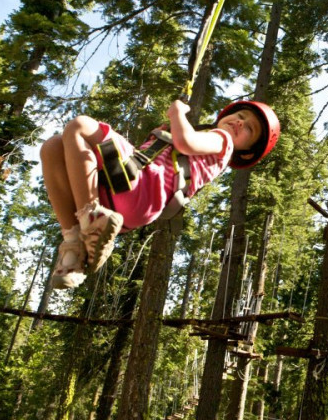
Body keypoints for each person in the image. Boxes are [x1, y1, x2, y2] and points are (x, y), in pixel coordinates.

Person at [40, 99, 280, 289]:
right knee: (53, 146)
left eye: (249, 127)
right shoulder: (205, 151)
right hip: (128, 203)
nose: (240, 122)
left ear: (246, 153)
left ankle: (89, 219)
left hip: (138, 188)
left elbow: (185, 142)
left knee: (81, 125)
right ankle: (74, 249)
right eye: (240, 116)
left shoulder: (223, 141)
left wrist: (177, 112)